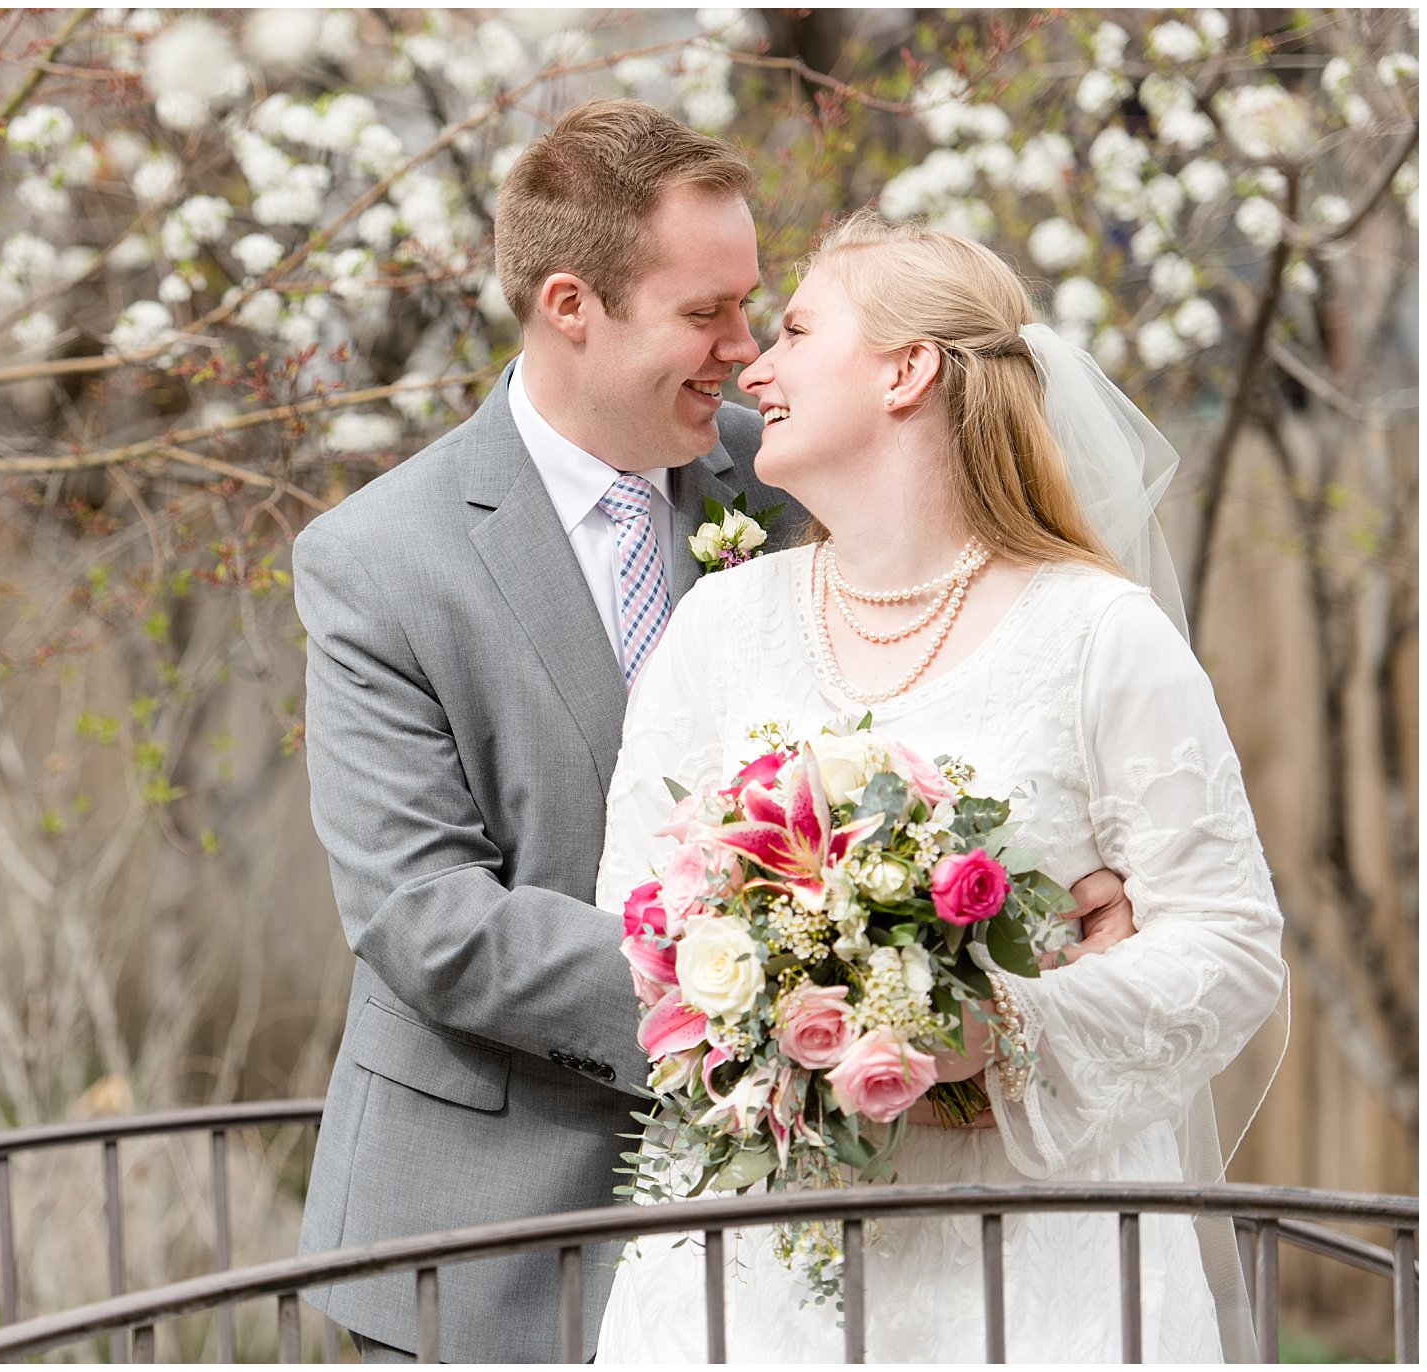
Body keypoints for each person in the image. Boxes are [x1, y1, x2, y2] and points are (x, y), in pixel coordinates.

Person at [293, 102, 1138, 1363]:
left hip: (783, 1233)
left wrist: (1049, 881)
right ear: (571, 305)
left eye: (754, 306)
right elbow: (429, 920)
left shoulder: (794, 467)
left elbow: (956, 677)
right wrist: (781, 1007)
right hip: (483, 1235)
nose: (746, 354)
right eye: (705, 314)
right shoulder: (377, 562)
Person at [592, 214, 1288, 1363]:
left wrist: (998, 1027)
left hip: (1030, 1271)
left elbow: (1229, 944)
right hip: (759, 1271)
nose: (752, 367)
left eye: (799, 329)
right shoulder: (718, 626)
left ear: (907, 370)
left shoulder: (1096, 632)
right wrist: (771, 1016)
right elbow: (634, 918)